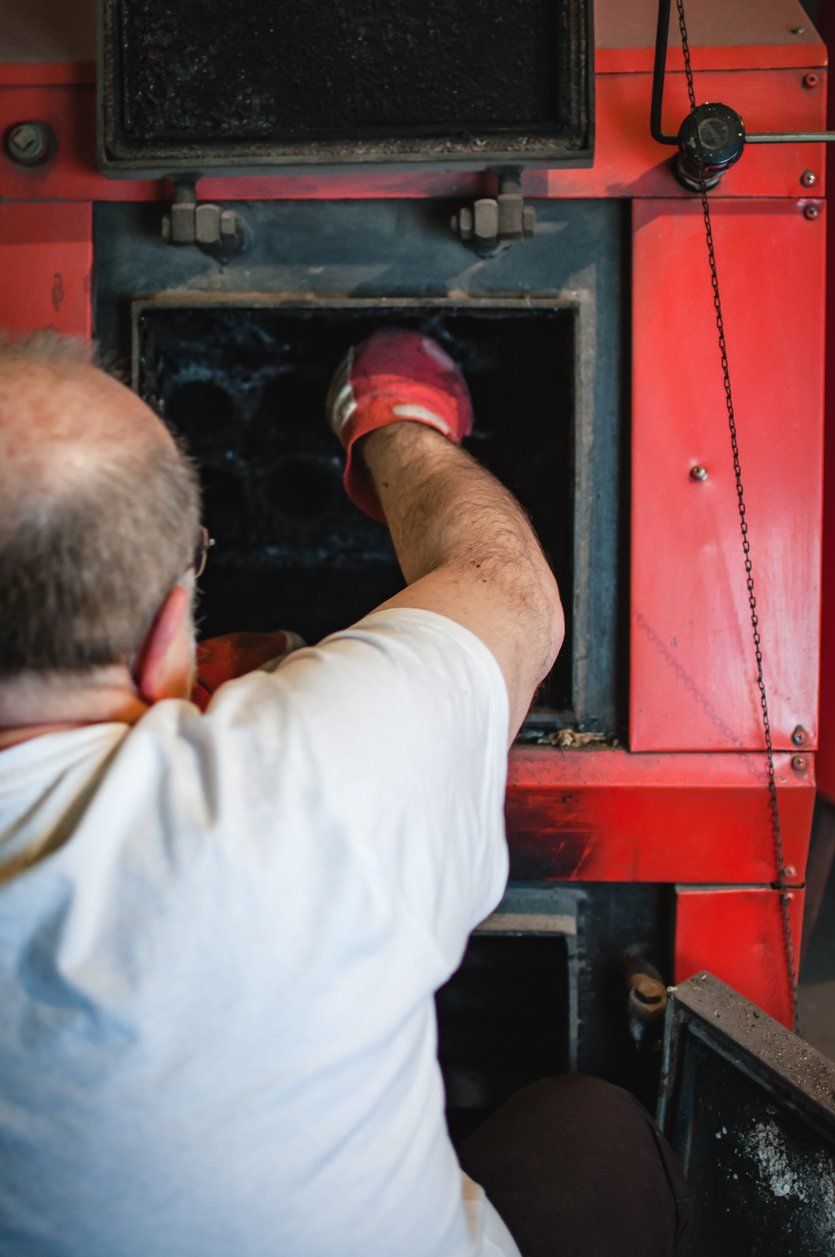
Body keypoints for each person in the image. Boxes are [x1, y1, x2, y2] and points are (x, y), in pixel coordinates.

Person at [0, 329, 689, 1256]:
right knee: (593, 1125)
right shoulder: (303, 778)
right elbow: (510, 590)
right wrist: (391, 425)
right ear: (168, 629)